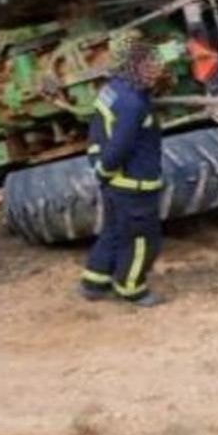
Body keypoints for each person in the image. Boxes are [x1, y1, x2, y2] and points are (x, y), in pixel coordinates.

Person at [79, 32, 172, 306]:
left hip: (115, 185)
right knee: (143, 240)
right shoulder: (134, 103)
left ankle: (94, 282)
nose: (158, 73)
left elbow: (97, 132)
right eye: (153, 67)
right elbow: (120, 146)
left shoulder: (113, 89)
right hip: (134, 185)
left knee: (114, 231)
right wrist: (106, 171)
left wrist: (101, 172)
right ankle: (132, 288)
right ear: (137, 67)